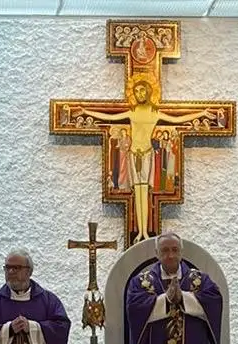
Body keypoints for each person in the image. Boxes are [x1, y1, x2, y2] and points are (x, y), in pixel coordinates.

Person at [77, 75, 215, 243]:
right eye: (136, 91)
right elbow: (109, 117)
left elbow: (177, 119)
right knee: (138, 193)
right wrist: (86, 112)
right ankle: (141, 232)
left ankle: (145, 233)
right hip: (133, 154)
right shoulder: (132, 112)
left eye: (142, 90)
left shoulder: (155, 113)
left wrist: (201, 113)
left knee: (145, 193)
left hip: (147, 154)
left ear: (148, 92)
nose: (139, 94)